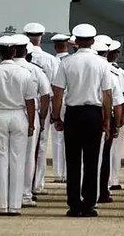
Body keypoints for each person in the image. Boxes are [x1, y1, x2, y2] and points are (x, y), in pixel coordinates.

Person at [51, 23, 112, 218]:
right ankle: (89, 204)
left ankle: (74, 204)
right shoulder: (102, 63)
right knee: (92, 161)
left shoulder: (66, 63)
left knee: (73, 161)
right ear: (93, 42)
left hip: (73, 114)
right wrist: (106, 120)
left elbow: (58, 93)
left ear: (75, 42)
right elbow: (107, 95)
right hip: (93, 113)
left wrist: (57, 116)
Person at [0, 36, 37, 216]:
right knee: (18, 161)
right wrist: (31, 124)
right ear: (14, 52)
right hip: (19, 115)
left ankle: (3, 205)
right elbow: (30, 102)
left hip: (0, 115)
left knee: (1, 161)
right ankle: (15, 205)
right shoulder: (25, 73)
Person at [11, 35, 50, 208]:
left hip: (6, 114)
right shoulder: (35, 70)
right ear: (28, 53)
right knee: (28, 157)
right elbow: (45, 94)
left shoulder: (2, 69)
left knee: (9, 156)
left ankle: (9, 193)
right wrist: (42, 117)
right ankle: (25, 193)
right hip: (29, 114)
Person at [24, 23, 58, 194]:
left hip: (22, 107)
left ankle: (21, 185)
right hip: (41, 107)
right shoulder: (51, 60)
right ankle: (37, 184)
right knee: (40, 146)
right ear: (41, 36)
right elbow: (54, 88)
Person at [96, 39, 124, 205]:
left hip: (82, 114)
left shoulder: (78, 66)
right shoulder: (111, 73)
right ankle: (102, 190)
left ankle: (80, 193)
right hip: (104, 115)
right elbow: (117, 100)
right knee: (104, 155)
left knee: (82, 157)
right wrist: (115, 123)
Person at [105, 40, 124, 191]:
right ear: (116, 55)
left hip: (102, 111)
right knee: (116, 148)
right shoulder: (123, 74)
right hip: (117, 112)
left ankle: (105, 180)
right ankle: (114, 179)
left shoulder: (101, 69)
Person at [50, 33, 71, 183]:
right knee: (70, 140)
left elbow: (53, 87)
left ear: (55, 46)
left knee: (57, 139)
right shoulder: (71, 61)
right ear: (67, 45)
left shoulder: (52, 62)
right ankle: (68, 172)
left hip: (57, 100)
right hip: (71, 102)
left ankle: (58, 173)